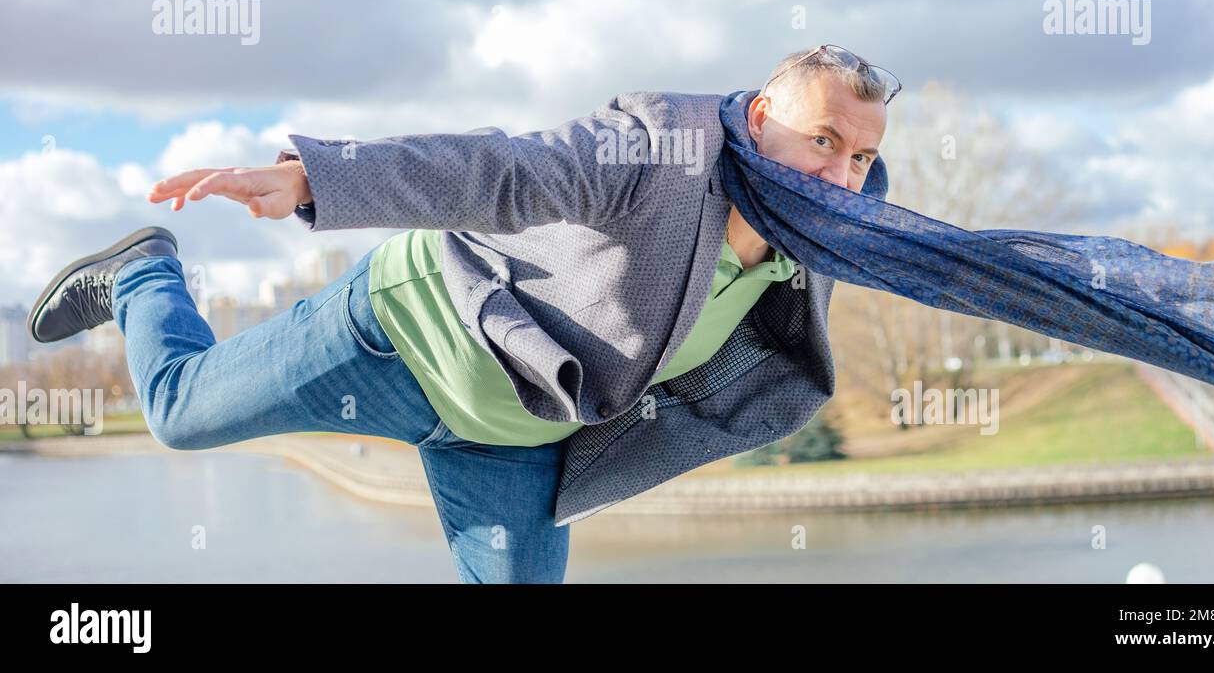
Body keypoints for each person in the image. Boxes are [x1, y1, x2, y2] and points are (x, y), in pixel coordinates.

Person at [26, 45, 897, 584]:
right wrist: (315, 177)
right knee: (177, 415)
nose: (841, 175)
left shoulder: (815, 248)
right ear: (759, 118)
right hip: (404, 337)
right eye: (822, 139)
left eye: (860, 156)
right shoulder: (659, 151)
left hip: (513, 441)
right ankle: (142, 276)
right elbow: (501, 170)